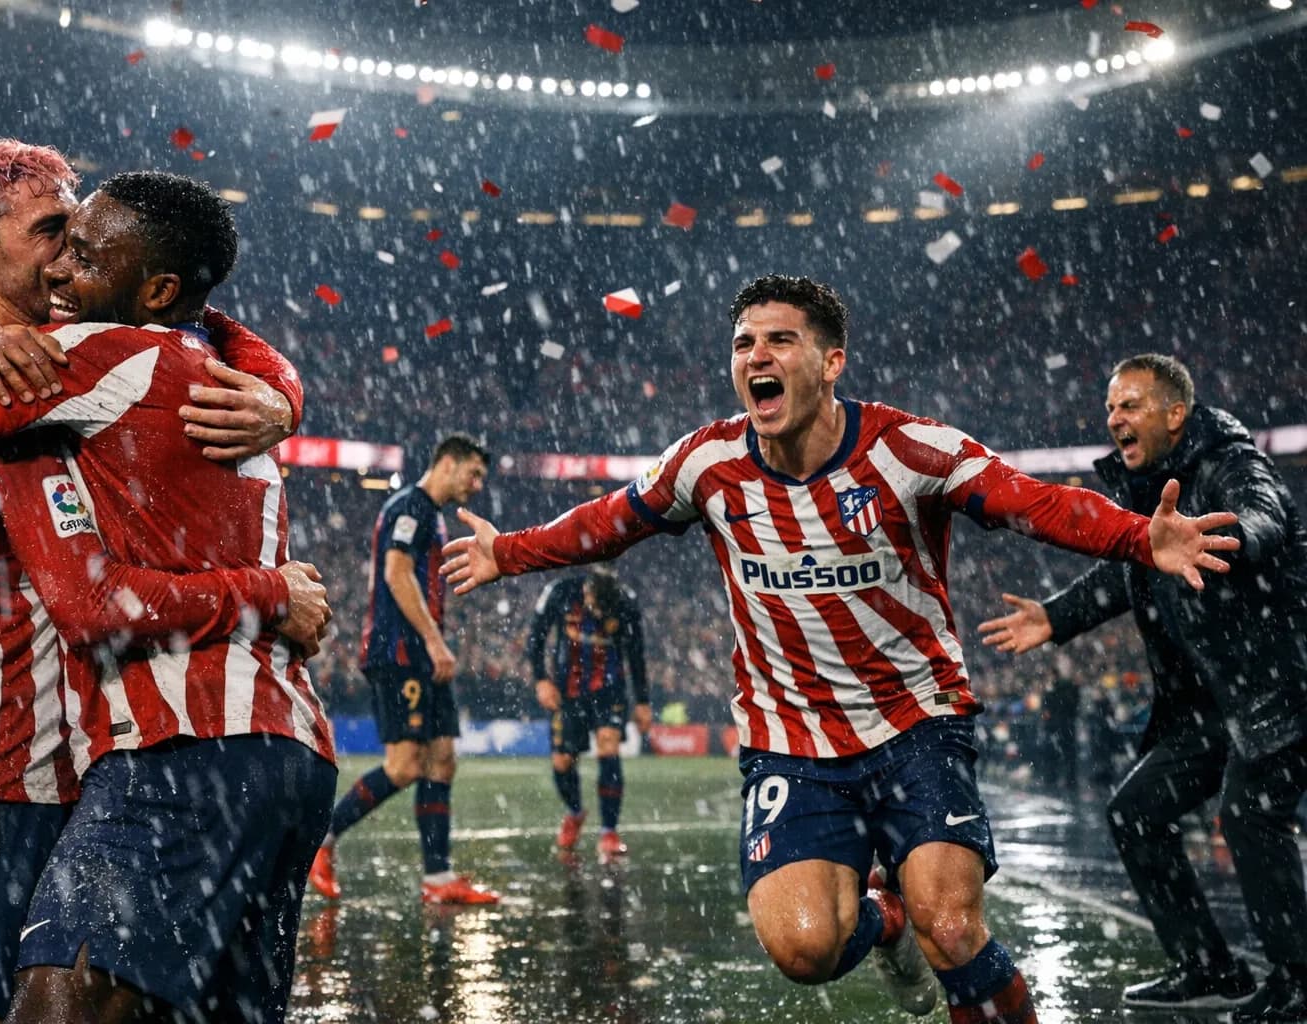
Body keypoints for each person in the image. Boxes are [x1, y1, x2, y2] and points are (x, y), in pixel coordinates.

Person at [440, 275, 1242, 1023]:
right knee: (804, 950)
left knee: (954, 928)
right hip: (791, 740)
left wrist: (1141, 537)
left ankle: (918, 919)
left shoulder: (908, 449)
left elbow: (1035, 501)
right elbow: (608, 522)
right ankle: (881, 914)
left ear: (831, 363)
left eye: (781, 340)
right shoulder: (708, 464)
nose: (757, 356)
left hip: (915, 721)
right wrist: (507, 552)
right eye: (744, 342)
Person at [0, 170, 338, 1023]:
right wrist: (268, 588)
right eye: (52, 236)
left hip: (123, 756)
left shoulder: (94, 365)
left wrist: (285, 394)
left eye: (83, 246)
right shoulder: (78, 366)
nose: (67, 264)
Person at [979, 353, 1307, 1021]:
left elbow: (1266, 511)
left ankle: (1298, 978)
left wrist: (1238, 535)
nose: (1114, 418)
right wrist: (1055, 617)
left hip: (1278, 686)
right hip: (1211, 702)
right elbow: (1122, 574)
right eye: (1110, 408)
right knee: (1137, 813)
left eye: (1129, 406)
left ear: (1175, 414)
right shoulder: (1153, 489)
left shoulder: (1228, 462)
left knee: (1251, 817)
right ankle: (1207, 965)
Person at [307, 435, 500, 905]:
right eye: (473, 473)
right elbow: (396, 573)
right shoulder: (409, 507)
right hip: (400, 655)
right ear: (448, 463)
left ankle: (438, 880)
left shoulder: (430, 515)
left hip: (420, 654)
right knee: (406, 765)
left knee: (442, 760)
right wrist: (435, 642)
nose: (477, 485)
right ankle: (321, 841)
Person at [526, 566, 651, 858]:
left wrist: (643, 701)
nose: (597, 613)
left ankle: (609, 831)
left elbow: (636, 654)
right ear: (587, 590)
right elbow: (536, 638)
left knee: (609, 746)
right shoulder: (560, 592)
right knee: (562, 762)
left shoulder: (626, 603)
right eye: (594, 605)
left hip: (609, 691)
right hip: (567, 691)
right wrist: (540, 679)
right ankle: (575, 811)